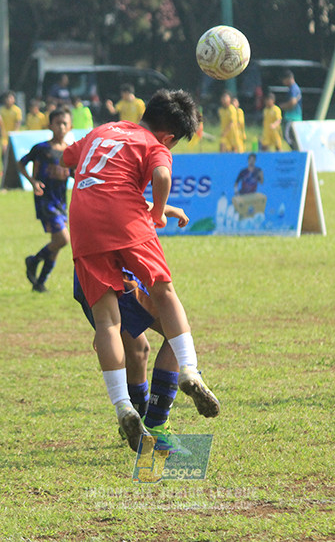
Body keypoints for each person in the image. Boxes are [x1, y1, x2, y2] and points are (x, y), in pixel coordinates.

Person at [62, 89, 220, 452]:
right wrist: (158, 210)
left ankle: (125, 409)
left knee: (111, 327)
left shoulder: (102, 131)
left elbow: (79, 165)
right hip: (126, 227)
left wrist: (147, 203)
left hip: (83, 225)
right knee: (165, 295)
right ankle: (189, 374)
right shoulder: (154, 144)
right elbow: (161, 177)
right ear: (169, 137)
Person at [73, 257, 190, 453]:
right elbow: (156, 224)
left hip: (86, 275)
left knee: (138, 349)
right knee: (178, 335)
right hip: (118, 271)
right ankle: (157, 425)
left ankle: (134, 422)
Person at [20, 108, 72, 293]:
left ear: (70, 126)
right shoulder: (42, 148)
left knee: (56, 244)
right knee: (63, 239)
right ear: (50, 125)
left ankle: (40, 283)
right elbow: (21, 162)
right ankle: (33, 261)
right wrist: (33, 181)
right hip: (45, 201)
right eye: (58, 123)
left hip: (61, 203)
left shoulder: (70, 151)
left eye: (65, 123)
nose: (61, 127)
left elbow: (76, 174)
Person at [0, 91, 24, 189]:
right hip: (4, 136)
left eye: (10, 98)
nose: (9, 100)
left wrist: (15, 133)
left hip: (13, 135)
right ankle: (4, 170)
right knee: (4, 152)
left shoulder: (17, 110)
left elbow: (18, 123)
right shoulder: (1, 110)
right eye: (7, 98)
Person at [280, 70, 302, 150]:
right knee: (293, 137)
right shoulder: (295, 88)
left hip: (292, 117)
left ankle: (296, 150)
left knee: (287, 136)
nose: (283, 82)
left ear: (288, 79)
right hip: (295, 118)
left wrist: (282, 106)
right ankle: (296, 150)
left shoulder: (293, 88)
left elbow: (292, 102)